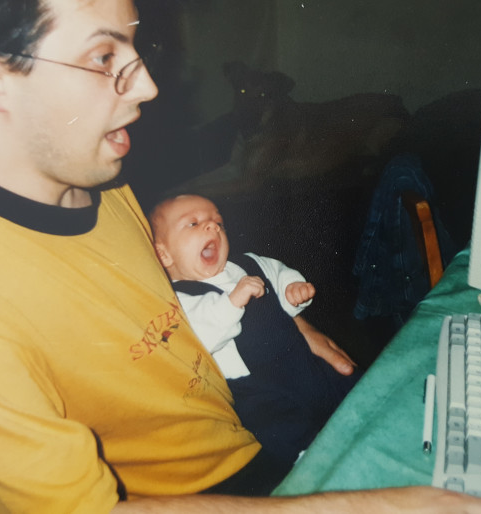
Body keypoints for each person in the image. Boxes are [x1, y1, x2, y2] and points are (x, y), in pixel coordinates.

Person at [0, 0, 481, 512]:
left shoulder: (96, 185)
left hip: (255, 426)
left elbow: (178, 324)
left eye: (134, 47)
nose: (147, 88)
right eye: (105, 57)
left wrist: (291, 329)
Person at [151, 194, 360, 465]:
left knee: (345, 385)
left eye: (218, 221)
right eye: (193, 224)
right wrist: (233, 301)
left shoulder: (247, 264)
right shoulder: (179, 300)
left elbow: (277, 271)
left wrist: (293, 287)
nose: (213, 226)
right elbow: (201, 336)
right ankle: (312, 460)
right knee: (276, 425)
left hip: (297, 357)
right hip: (256, 388)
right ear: (163, 254)